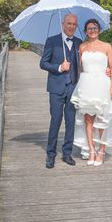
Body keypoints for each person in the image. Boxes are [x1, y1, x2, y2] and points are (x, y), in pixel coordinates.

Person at [40, 13, 83, 169]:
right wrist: (59, 67)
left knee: (71, 122)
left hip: (73, 87)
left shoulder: (79, 43)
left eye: (74, 24)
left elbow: (84, 64)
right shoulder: (52, 41)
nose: (71, 26)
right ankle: (50, 154)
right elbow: (43, 63)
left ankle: (67, 153)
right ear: (63, 24)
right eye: (69, 23)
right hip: (56, 88)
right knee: (56, 120)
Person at [71, 19, 112, 166]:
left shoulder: (107, 46)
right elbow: (80, 68)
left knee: (102, 118)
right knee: (88, 119)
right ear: (85, 31)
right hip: (86, 83)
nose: (92, 30)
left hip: (102, 84)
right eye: (89, 28)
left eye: (95, 28)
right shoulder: (82, 47)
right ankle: (91, 149)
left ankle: (101, 150)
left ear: (99, 30)